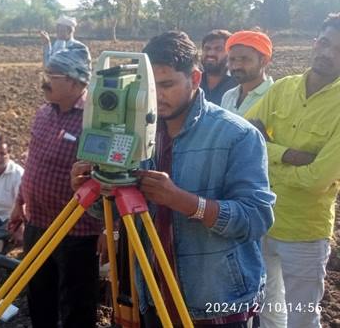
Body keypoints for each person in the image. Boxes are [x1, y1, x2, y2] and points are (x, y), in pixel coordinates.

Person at [72, 31, 275, 327]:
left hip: (215, 306)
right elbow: (116, 213)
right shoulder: (136, 132)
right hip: (153, 298)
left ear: (194, 79)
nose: (155, 96)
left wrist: (185, 202)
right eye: (148, 86)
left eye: (166, 85)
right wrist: (93, 189)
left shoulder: (237, 135)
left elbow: (256, 218)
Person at [245, 13, 340, 328]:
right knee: (266, 310)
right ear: (315, 44)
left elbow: (316, 181)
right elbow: (248, 137)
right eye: (325, 43)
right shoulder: (283, 89)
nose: (327, 53)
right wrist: (286, 154)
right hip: (262, 220)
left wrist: (267, 159)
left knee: (302, 318)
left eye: (338, 49)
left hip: (304, 232)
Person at [8, 42, 100, 327]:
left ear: (75, 81)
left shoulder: (94, 120)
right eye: (44, 75)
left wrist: (111, 229)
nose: (44, 83)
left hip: (77, 231)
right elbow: (32, 162)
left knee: (76, 305)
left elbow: (104, 179)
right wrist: (18, 203)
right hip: (38, 222)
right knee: (39, 297)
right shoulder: (43, 113)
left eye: (52, 77)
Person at [220, 30, 274, 115]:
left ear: (264, 61)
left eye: (244, 59)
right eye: (232, 59)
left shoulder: (274, 97)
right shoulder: (228, 96)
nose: (236, 66)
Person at [200, 29, 237, 105]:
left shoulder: (239, 85)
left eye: (218, 49)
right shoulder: (193, 82)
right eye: (207, 48)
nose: (211, 53)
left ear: (230, 54)